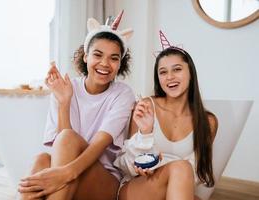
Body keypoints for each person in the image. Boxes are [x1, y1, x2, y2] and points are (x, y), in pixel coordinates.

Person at [18, 12, 135, 200]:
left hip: (103, 180)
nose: (105, 63)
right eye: (98, 54)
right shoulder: (66, 88)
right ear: (86, 56)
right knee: (41, 159)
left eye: (114, 58)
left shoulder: (123, 94)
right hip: (69, 170)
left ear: (120, 64)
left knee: (66, 139)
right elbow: (64, 145)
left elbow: (98, 145)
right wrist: (64, 102)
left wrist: (66, 173)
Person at [114, 46, 218, 200]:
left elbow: (197, 173)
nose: (169, 77)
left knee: (183, 171)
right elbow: (127, 165)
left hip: (175, 188)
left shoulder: (208, 121)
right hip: (138, 188)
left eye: (177, 69)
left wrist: (169, 171)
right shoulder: (146, 107)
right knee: (182, 167)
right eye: (163, 72)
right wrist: (145, 133)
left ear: (191, 73)